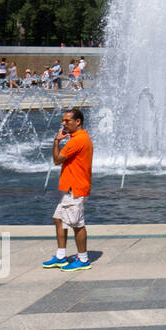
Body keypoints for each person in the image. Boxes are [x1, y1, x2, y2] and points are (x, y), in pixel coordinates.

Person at [42, 108, 94, 272]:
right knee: (59, 219)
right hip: (71, 188)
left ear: (77, 121)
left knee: (77, 224)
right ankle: (61, 256)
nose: (64, 123)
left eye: (67, 121)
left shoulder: (78, 140)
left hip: (76, 188)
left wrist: (56, 141)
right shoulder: (78, 138)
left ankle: (83, 259)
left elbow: (57, 160)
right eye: (63, 120)